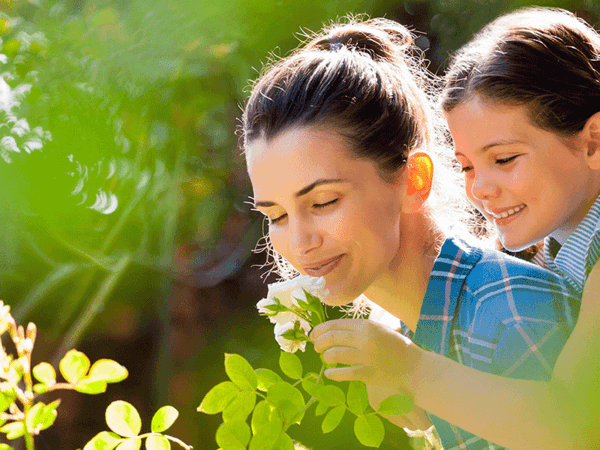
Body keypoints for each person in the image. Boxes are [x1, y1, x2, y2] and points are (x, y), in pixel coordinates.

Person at [241, 16, 580, 450]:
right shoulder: (399, 341)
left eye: (323, 203)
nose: (301, 241)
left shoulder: (508, 313)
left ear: (413, 180)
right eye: (277, 216)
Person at [348, 7, 600, 450]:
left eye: (504, 159)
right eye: (466, 166)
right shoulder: (550, 245)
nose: (480, 189)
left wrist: (411, 369)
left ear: (593, 141)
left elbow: (575, 423)